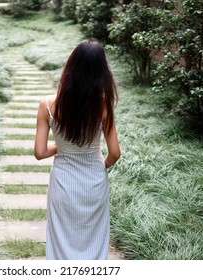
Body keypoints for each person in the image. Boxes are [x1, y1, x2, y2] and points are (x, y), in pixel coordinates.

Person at [34, 38, 120, 260]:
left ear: (70, 66)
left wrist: (61, 146)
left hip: (63, 183)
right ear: (102, 72)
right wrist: (103, 164)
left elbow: (40, 152)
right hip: (94, 181)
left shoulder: (47, 105)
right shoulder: (103, 106)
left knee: (61, 241)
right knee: (94, 242)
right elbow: (115, 153)